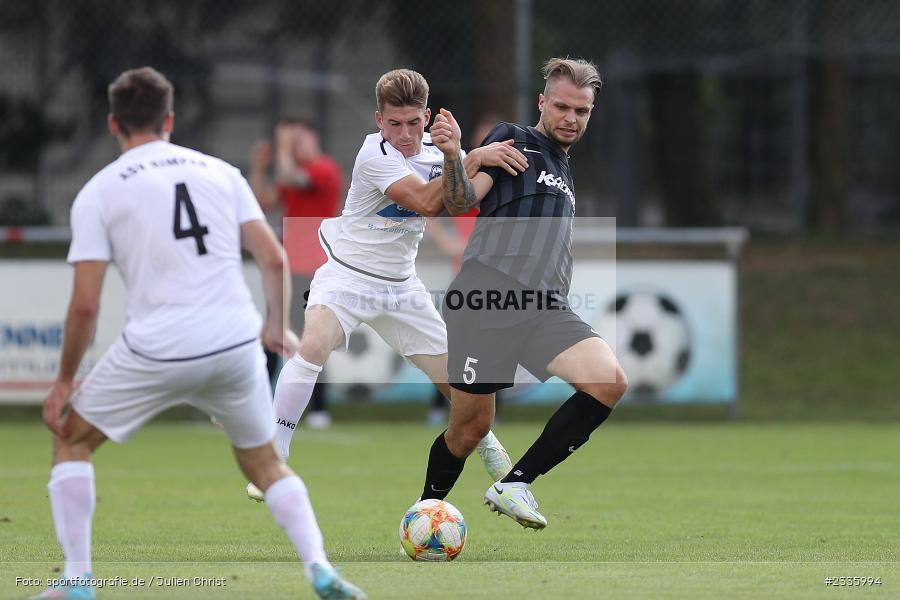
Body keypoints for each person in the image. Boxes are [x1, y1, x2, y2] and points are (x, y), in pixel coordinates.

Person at [32, 67, 365, 600]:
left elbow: (87, 303)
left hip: (157, 346)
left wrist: (64, 380)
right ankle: (320, 568)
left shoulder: (98, 191)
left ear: (114, 123)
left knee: (71, 441)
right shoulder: (219, 172)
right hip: (234, 343)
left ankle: (77, 584)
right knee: (264, 463)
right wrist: (274, 325)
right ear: (169, 119)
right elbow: (274, 256)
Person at [270, 68, 529, 488]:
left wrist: (473, 158)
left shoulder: (438, 150)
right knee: (314, 343)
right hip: (347, 275)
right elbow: (429, 202)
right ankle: (275, 456)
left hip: (401, 287)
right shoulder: (374, 155)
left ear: (427, 116)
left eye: (413, 122)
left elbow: (462, 198)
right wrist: (473, 156)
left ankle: (488, 446)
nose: (404, 134)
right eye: (394, 123)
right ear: (378, 121)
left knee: (460, 385)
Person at [419, 57, 628, 530]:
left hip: (544, 305)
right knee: (469, 428)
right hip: (488, 296)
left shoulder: (564, 168)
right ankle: (426, 511)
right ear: (542, 103)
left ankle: (515, 482)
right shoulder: (515, 140)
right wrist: (459, 157)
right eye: (561, 107)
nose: (570, 118)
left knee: (609, 381)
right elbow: (458, 201)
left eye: (582, 111)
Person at [249, 116, 343, 430]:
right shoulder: (292, 175)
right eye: (293, 140)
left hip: (314, 267)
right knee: (272, 334)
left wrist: (283, 146)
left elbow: (290, 175)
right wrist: (260, 167)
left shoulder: (324, 169)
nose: (295, 146)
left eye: (301, 139)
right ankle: (262, 404)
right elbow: (262, 203)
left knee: (313, 338)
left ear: (315, 141)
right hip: (288, 268)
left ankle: (319, 408)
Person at [425, 113, 503, 427]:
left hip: (497, 275)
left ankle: (490, 411)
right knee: (453, 343)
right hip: (465, 274)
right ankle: (440, 406)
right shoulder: (465, 176)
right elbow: (428, 205)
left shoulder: (506, 178)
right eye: (486, 139)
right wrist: (449, 242)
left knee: (494, 344)